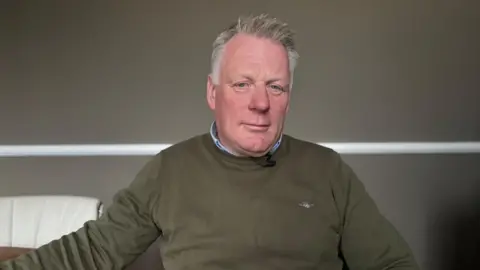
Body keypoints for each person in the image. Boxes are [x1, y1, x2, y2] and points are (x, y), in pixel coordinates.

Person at [0, 14, 419, 270]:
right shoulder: (170, 171)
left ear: (289, 98)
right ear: (212, 93)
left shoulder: (328, 171)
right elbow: (91, 253)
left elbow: (393, 264)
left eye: (276, 87)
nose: (260, 104)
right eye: (243, 84)